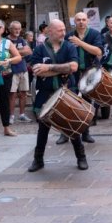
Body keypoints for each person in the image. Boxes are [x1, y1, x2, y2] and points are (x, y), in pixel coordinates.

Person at [27, 19, 88, 172]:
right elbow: (36, 70)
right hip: (46, 93)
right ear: (50, 31)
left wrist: (48, 67)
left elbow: (73, 67)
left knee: (72, 124)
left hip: (67, 90)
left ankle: (81, 157)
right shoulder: (39, 50)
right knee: (43, 127)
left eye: (63, 30)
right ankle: (38, 159)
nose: (64, 33)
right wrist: (62, 69)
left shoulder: (69, 47)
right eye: (60, 30)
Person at [59, 12, 102, 144]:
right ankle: (65, 133)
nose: (81, 22)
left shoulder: (94, 34)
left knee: (87, 104)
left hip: (89, 72)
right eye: (78, 20)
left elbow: (98, 52)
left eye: (84, 19)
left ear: (87, 21)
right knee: (68, 103)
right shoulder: (68, 36)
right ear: (74, 22)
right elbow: (62, 53)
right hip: (72, 73)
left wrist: (80, 43)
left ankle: (86, 133)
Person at [7, 21, 32, 123]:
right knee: (12, 94)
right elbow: (6, 54)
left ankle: (22, 114)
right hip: (12, 70)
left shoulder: (22, 40)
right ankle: (11, 116)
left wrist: (14, 52)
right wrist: (21, 52)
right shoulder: (6, 41)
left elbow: (29, 51)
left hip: (23, 69)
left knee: (23, 93)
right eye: (15, 28)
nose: (17, 30)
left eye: (19, 28)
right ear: (10, 29)